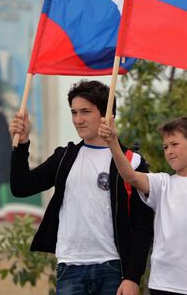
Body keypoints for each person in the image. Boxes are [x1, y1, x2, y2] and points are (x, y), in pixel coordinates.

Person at [9, 79, 153, 295]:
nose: (78, 119)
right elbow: (21, 187)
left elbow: (143, 225)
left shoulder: (131, 161)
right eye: (74, 112)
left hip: (113, 269)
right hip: (70, 269)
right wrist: (22, 144)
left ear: (107, 116)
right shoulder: (64, 156)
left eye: (85, 112)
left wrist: (133, 277)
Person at [99, 116, 187, 295]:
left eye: (175, 144)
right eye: (165, 147)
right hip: (163, 284)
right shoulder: (162, 184)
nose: (169, 151)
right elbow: (131, 176)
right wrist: (113, 143)